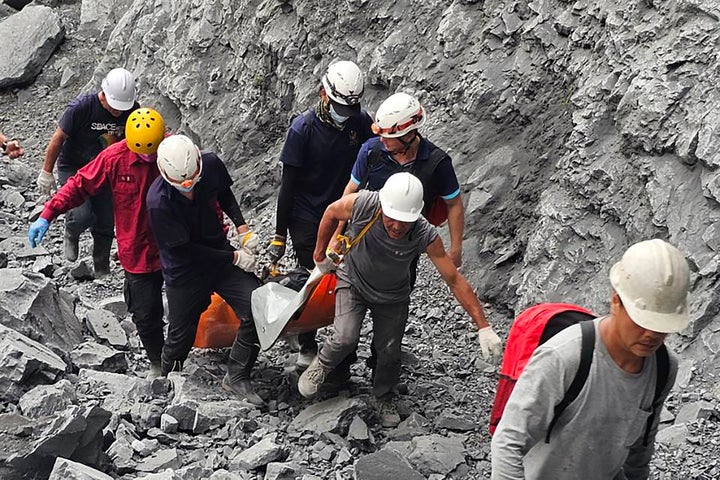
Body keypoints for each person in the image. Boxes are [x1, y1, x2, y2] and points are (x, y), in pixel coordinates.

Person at [298, 173, 502, 427]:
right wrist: (319, 256)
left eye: (404, 223)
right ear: (383, 206)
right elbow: (331, 212)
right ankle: (323, 365)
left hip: (392, 296)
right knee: (344, 337)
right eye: (391, 220)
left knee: (389, 351)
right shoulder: (364, 203)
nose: (396, 227)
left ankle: (383, 395)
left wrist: (483, 325)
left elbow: (454, 279)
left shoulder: (423, 233)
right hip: (353, 280)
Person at [490, 238, 688, 480]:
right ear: (616, 302)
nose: (652, 334)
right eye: (643, 322)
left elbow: (641, 448)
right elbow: (508, 441)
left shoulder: (664, 368)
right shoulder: (564, 356)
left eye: (661, 326)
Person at [331, 92, 466, 381]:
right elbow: (349, 194)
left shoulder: (437, 163)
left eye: (388, 137)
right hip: (362, 247)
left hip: (403, 252)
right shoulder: (372, 151)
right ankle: (339, 372)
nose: (382, 141)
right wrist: (337, 236)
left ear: (407, 135)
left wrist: (455, 249)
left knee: (392, 318)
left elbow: (453, 203)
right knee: (347, 317)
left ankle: (382, 370)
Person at [28, 108, 167, 378]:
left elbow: (205, 193)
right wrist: (48, 213)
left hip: (176, 247)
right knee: (145, 314)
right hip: (137, 251)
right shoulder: (115, 158)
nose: (149, 159)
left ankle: (178, 357)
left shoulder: (174, 151)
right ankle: (157, 362)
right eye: (143, 153)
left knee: (186, 306)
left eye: (153, 152)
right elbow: (79, 184)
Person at [267, 60, 374, 370]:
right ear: (323, 95)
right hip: (307, 215)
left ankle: (343, 350)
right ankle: (306, 340)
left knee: (348, 277)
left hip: (345, 214)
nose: (345, 114)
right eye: (339, 106)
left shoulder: (359, 124)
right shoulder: (303, 130)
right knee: (312, 276)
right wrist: (278, 236)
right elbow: (287, 186)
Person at [146, 135, 265, 406]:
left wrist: (242, 228)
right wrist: (235, 257)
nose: (188, 188)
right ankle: (167, 382)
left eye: (192, 181)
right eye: (181, 185)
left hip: (219, 253)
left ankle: (237, 375)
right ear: (165, 175)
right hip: (185, 269)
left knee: (258, 306)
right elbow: (187, 251)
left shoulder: (210, 164)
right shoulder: (158, 202)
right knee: (180, 334)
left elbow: (224, 193)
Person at [37, 67, 139, 275]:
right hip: (74, 165)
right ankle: (72, 231)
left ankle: (101, 267)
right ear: (104, 94)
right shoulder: (81, 108)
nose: (118, 112)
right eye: (114, 106)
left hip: (106, 169)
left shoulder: (132, 110)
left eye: (122, 107)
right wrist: (46, 172)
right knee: (82, 214)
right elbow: (57, 140)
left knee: (106, 219)